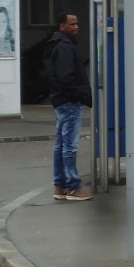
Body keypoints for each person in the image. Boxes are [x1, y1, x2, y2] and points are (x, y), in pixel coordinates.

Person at [46, 11, 93, 201]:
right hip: (69, 102)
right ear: (62, 26)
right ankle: (73, 187)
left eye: (77, 23)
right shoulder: (65, 47)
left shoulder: (55, 45)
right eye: (72, 24)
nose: (76, 27)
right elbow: (67, 77)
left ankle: (60, 185)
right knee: (70, 146)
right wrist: (78, 96)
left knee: (61, 145)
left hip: (60, 100)